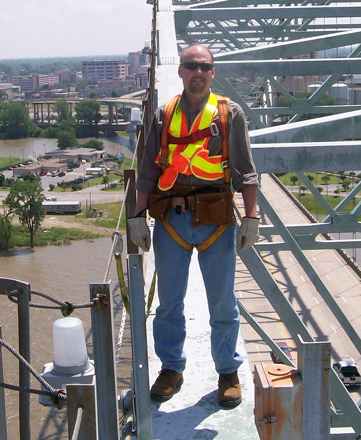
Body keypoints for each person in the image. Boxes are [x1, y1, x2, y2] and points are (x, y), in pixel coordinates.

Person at [127, 43, 260, 408]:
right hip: (172, 219)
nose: (198, 72)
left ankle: (227, 372)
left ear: (212, 73)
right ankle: (171, 367)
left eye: (205, 66)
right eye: (191, 66)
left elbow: (245, 171)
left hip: (216, 220)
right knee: (169, 303)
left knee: (222, 303)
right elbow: (149, 172)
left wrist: (252, 215)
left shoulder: (229, 114)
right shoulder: (163, 115)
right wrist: (138, 216)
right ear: (181, 71)